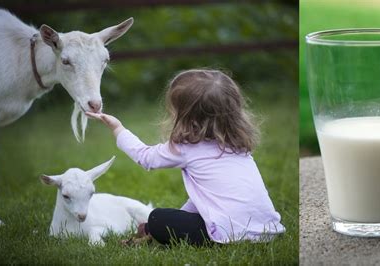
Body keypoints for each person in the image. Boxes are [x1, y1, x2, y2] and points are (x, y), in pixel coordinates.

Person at [87, 69, 285, 246]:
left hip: (229, 234)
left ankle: (152, 232)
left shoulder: (187, 148)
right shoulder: (238, 147)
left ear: (187, 116)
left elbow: (145, 157)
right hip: (266, 229)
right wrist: (182, 215)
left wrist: (117, 128)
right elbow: (206, 200)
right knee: (166, 219)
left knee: (157, 218)